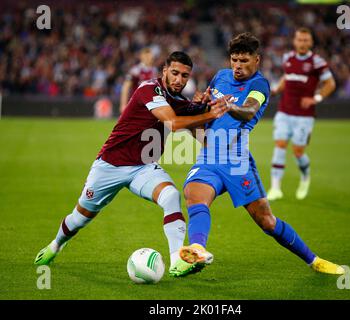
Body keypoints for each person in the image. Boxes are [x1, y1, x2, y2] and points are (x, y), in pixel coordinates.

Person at [34, 51, 228, 277]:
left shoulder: (180, 101)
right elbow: (174, 123)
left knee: (171, 196)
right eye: (174, 73)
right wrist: (208, 113)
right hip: (110, 165)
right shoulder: (149, 89)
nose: (179, 79)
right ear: (164, 71)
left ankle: (177, 261)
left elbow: (196, 130)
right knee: (80, 218)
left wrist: (210, 122)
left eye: (184, 76)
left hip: (143, 167)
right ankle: (55, 245)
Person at [177, 33, 344, 276]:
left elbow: (248, 111)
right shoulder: (221, 76)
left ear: (257, 60)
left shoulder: (259, 85)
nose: (238, 66)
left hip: (236, 161)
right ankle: (197, 250)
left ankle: (314, 260)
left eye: (244, 60)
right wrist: (200, 103)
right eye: (234, 60)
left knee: (266, 221)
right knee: (193, 196)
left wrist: (228, 105)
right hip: (209, 156)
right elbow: (206, 113)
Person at [267, 27, 336, 201]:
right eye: (300, 39)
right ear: (295, 41)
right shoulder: (287, 58)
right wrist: (276, 89)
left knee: (298, 151)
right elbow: (287, 77)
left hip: (304, 115)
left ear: (311, 42)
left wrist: (316, 98)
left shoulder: (317, 62)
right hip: (284, 110)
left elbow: (330, 84)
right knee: (280, 145)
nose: (302, 43)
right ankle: (275, 188)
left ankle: (305, 176)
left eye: (306, 40)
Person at [119, 47, 158, 114]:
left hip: (150, 104)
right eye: (146, 56)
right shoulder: (136, 70)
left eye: (150, 56)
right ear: (141, 57)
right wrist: (123, 104)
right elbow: (126, 87)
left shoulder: (154, 70)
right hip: (137, 104)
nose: (149, 58)